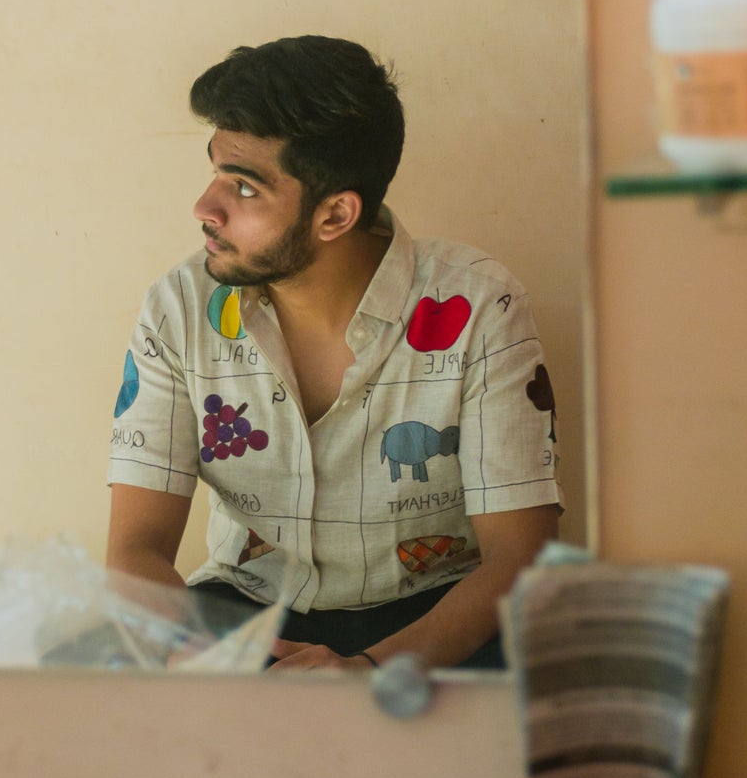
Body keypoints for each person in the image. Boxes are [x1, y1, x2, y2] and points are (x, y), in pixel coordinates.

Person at [106, 36, 562, 670]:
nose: (204, 208)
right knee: (92, 671)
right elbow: (135, 550)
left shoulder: (478, 303)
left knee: (541, 706)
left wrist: (372, 671)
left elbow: (520, 555)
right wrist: (217, 657)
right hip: (247, 607)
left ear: (335, 215)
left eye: (242, 189)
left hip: (438, 612)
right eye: (215, 172)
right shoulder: (181, 307)